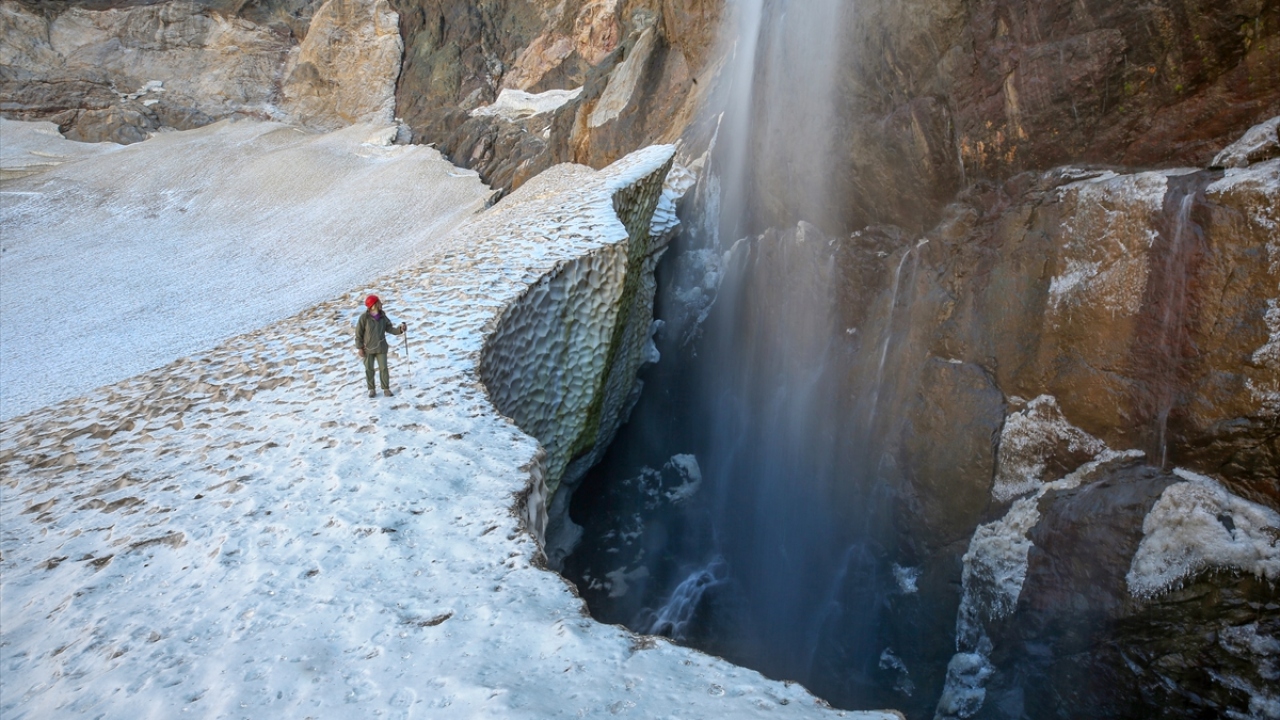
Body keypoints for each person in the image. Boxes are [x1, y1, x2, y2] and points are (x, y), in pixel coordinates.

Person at [355, 294, 407, 397]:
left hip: (381, 347)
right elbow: (358, 333)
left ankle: (386, 389)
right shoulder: (364, 317)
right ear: (373, 305)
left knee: (383, 368)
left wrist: (400, 329)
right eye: (378, 302)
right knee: (369, 369)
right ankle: (371, 389)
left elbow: (390, 328)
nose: (381, 304)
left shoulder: (383, 316)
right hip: (367, 348)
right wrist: (360, 348)